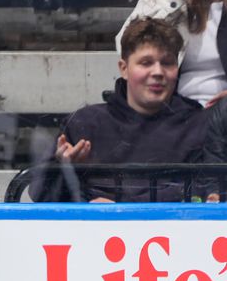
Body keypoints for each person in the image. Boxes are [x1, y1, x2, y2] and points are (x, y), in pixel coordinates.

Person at [36, 19, 205, 203]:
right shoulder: (84, 123)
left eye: (167, 63)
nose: (158, 72)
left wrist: (120, 209)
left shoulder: (198, 124)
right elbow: (41, 196)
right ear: (124, 69)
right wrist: (64, 169)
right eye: (146, 62)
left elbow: (208, 192)